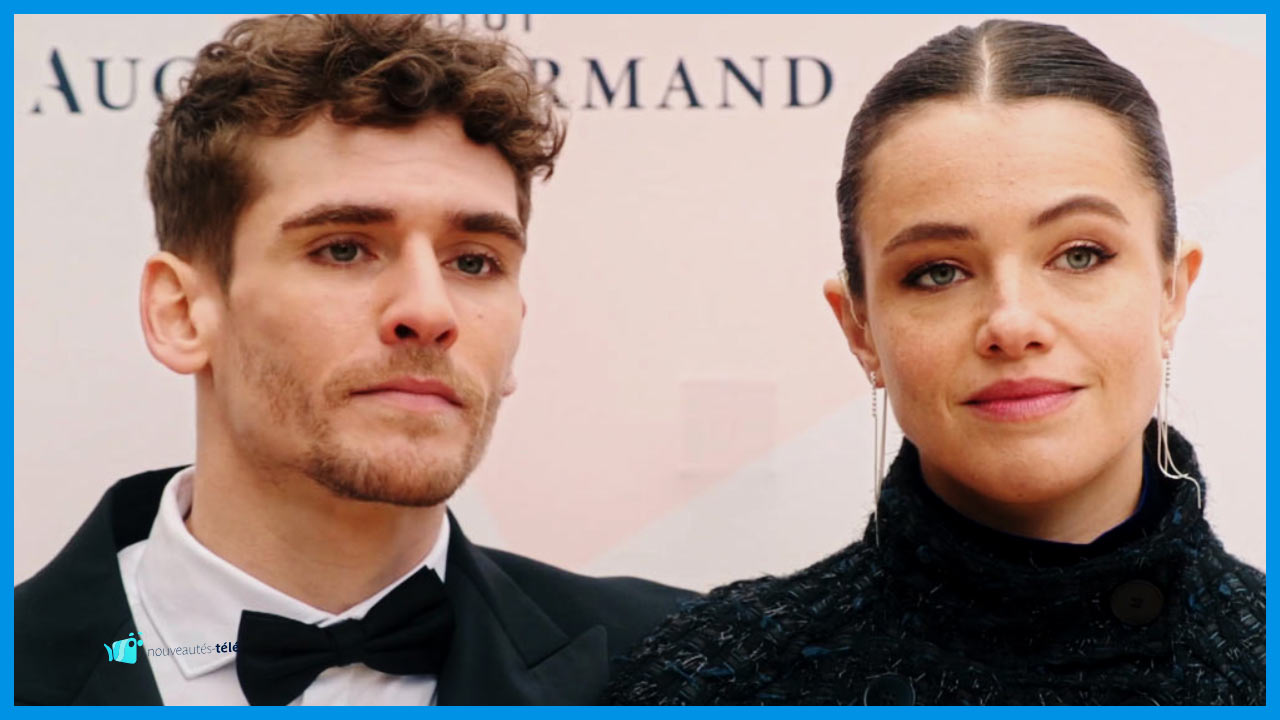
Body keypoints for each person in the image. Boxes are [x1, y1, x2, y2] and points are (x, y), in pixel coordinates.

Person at [15, 14, 692, 706]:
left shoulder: (683, 668)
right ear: (182, 313)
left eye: (474, 262)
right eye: (343, 249)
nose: (430, 312)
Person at [606, 19, 1264, 705]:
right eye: (938, 272)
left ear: (1171, 291)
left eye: (1080, 255)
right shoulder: (705, 684)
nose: (1012, 324)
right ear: (859, 328)